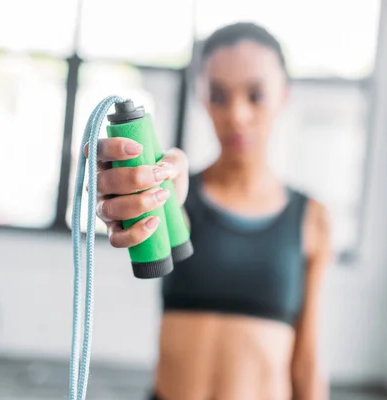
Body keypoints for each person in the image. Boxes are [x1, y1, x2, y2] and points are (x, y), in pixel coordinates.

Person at [91, 22, 332, 400]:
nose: (236, 114)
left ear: (284, 95)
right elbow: (160, 207)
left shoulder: (312, 218)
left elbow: (306, 362)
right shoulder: (176, 199)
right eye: (219, 96)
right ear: (201, 97)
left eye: (255, 95)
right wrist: (140, 192)